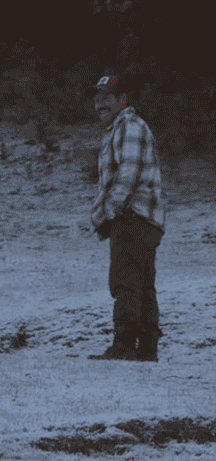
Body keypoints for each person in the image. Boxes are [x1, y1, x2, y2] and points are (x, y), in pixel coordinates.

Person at [85, 74, 166, 362]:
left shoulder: (129, 126)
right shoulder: (122, 128)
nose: (99, 103)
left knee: (125, 282)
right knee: (143, 284)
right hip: (144, 219)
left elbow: (128, 173)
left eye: (106, 97)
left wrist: (110, 212)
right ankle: (146, 348)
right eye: (96, 98)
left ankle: (124, 345)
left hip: (131, 218)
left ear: (123, 99)